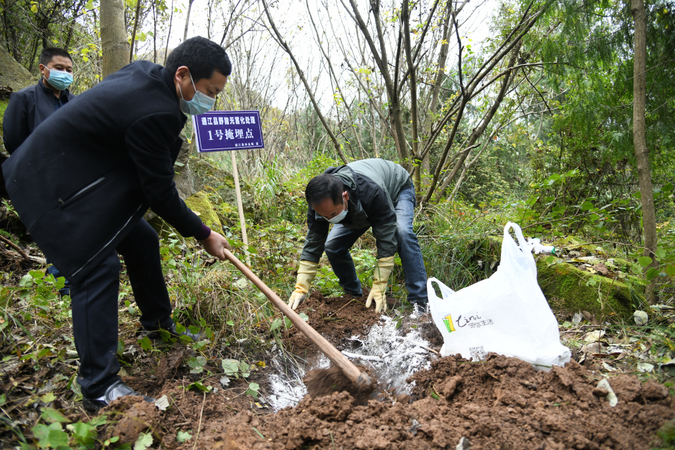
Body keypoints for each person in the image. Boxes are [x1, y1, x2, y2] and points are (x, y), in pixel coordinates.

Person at [3, 36, 232, 412]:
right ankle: (98, 385)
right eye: (209, 91)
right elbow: (160, 193)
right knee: (97, 267)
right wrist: (205, 234)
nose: (212, 101)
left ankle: (157, 326)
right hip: (49, 186)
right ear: (183, 75)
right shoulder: (156, 111)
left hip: (70, 177)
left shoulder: (144, 73)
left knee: (141, 239)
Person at [288, 158, 428, 313]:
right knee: (333, 245)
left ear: (345, 196)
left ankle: (420, 301)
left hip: (397, 189)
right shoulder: (319, 203)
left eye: (333, 214)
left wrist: (379, 285)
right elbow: (314, 243)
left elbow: (386, 242)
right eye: (325, 216)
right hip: (359, 208)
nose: (329, 220)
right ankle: (353, 296)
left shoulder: (372, 192)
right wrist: (301, 287)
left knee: (402, 233)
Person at [3, 47, 77, 295]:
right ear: (43, 69)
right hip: (38, 176)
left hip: (72, 177)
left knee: (75, 226)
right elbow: (14, 140)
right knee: (53, 228)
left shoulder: (76, 103)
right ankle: (61, 282)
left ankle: (77, 276)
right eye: (59, 68)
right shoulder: (24, 99)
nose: (64, 74)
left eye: (69, 70)